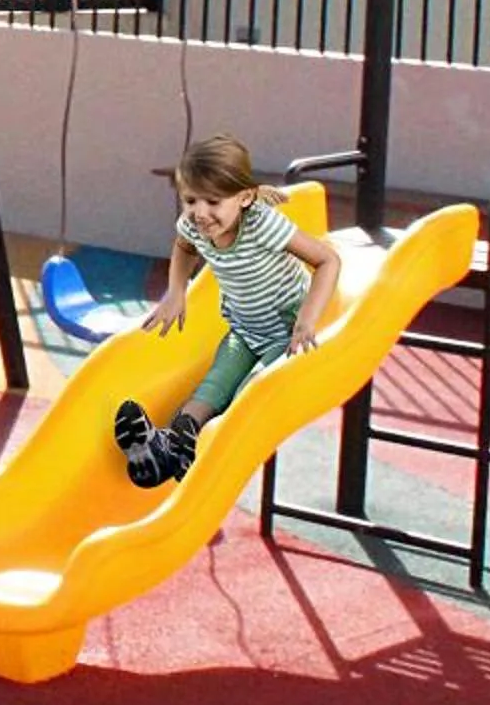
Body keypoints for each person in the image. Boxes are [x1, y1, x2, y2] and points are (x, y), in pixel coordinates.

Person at [111, 135, 343, 488]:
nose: (200, 212)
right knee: (210, 391)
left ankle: (196, 455)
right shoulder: (194, 225)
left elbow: (327, 259)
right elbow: (184, 247)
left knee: (248, 396)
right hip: (244, 331)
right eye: (190, 200)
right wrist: (177, 291)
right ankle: (170, 446)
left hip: (286, 330)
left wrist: (307, 319)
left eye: (213, 202)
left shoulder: (261, 224)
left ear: (245, 198)